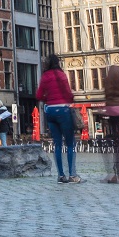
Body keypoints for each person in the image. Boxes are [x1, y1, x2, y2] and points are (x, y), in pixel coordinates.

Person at [36, 54, 80, 183]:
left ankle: (61, 175)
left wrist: (48, 99)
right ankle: (72, 175)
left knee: (57, 144)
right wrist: (69, 99)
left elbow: (39, 95)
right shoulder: (61, 75)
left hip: (50, 110)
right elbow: (68, 93)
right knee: (70, 143)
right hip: (63, 110)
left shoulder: (44, 76)